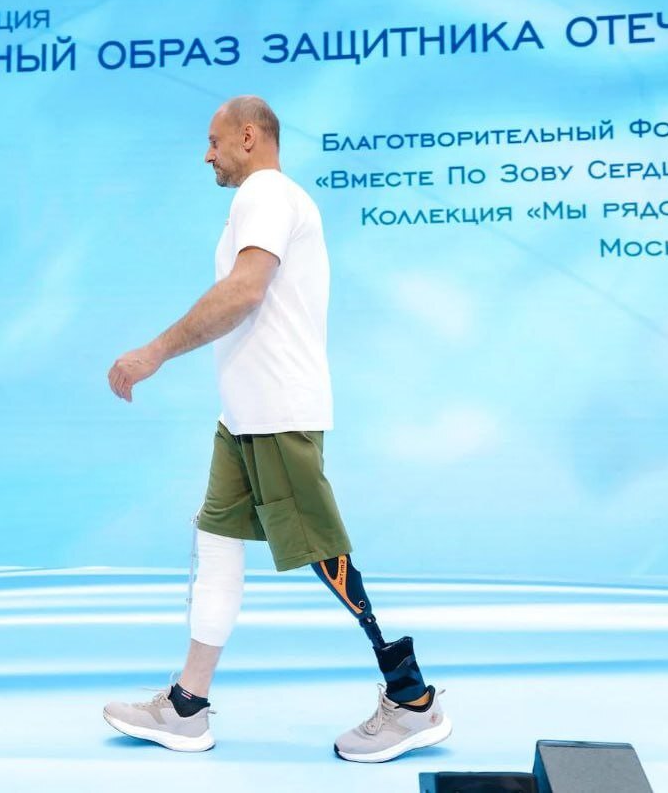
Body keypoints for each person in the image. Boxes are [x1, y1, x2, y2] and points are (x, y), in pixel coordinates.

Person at [102, 96, 451, 762]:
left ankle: (411, 699)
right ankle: (187, 706)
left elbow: (244, 291)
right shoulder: (268, 200)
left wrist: (153, 352)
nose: (206, 154)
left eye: (213, 141)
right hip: (244, 415)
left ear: (248, 136)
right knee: (216, 544)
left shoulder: (264, 193)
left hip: (277, 413)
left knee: (324, 552)